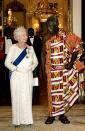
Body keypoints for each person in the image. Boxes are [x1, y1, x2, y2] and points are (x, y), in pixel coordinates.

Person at [44, 15, 83, 124]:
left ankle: (62, 115)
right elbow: (44, 54)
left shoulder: (66, 35)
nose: (50, 27)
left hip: (64, 71)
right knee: (51, 93)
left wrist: (71, 63)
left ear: (57, 24)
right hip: (51, 71)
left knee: (62, 93)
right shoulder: (46, 37)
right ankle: (51, 115)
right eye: (48, 25)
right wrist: (44, 69)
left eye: (52, 25)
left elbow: (77, 46)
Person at [4, 26, 38, 127]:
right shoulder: (12, 48)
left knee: (27, 98)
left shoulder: (30, 48)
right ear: (17, 37)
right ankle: (17, 121)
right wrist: (16, 69)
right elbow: (7, 63)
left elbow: (36, 62)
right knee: (16, 97)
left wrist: (30, 68)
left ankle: (27, 120)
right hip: (16, 76)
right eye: (23, 35)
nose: (26, 36)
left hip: (27, 75)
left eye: (26, 35)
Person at [27, 27, 42, 104]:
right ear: (28, 32)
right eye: (29, 31)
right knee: (29, 74)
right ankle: (29, 88)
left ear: (34, 32)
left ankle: (36, 89)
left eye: (32, 31)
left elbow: (41, 49)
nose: (31, 33)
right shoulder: (25, 40)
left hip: (36, 60)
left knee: (36, 75)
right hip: (28, 61)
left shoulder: (38, 39)